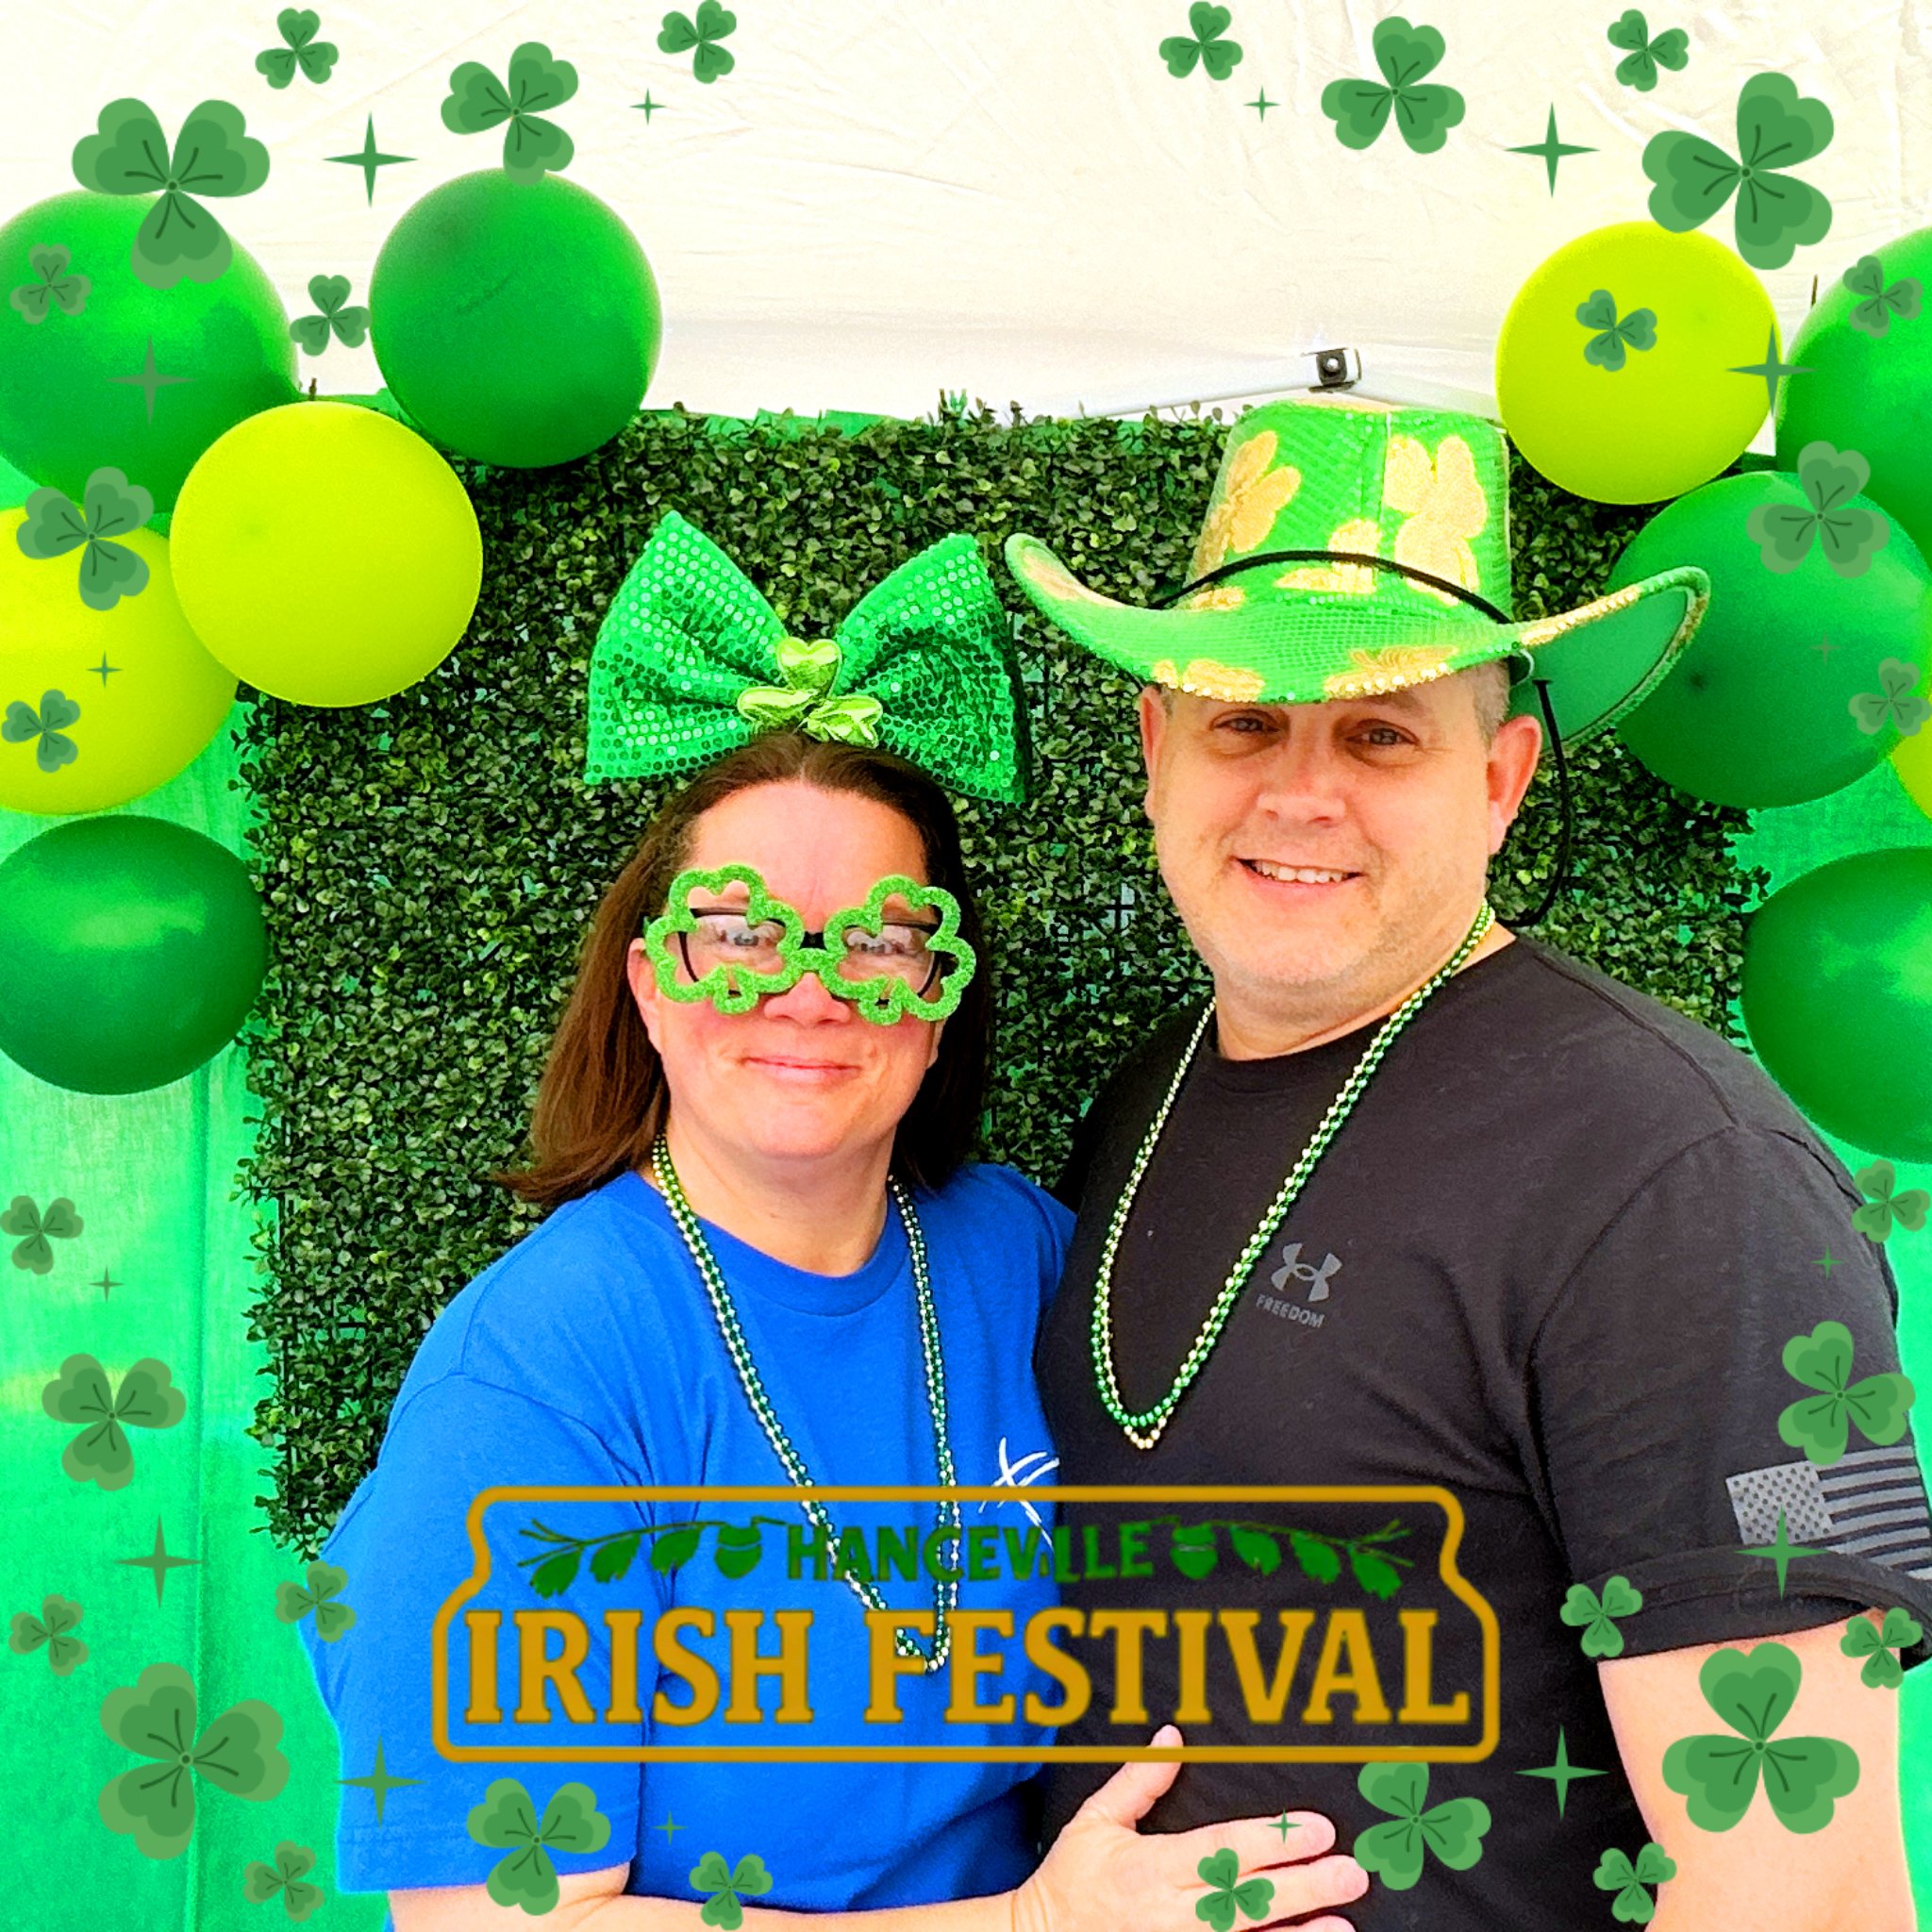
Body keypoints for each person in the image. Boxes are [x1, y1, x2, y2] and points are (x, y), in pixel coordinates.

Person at [300, 512, 1370, 1932]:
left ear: (940, 1003)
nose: (809, 994)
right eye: (741, 937)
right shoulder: (536, 1375)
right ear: (650, 985)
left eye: (879, 942)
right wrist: (1030, 1928)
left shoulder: (1021, 1256)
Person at [1002, 391, 1932, 1931]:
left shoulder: (1698, 1178)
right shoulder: (1151, 1093)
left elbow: (1814, 1891)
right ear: (1158, 750)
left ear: (1499, 777)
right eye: (1244, 720)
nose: (1300, 793)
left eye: (1381, 732)